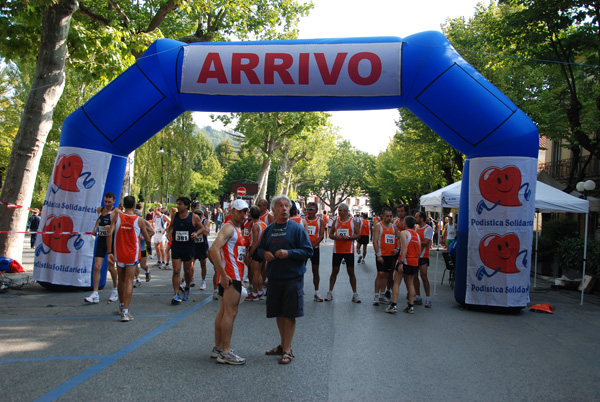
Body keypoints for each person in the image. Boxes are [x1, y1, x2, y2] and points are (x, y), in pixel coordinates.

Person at [257, 195, 313, 364]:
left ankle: (288, 349)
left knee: (289, 314)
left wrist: (289, 253)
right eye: (280, 206)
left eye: (287, 206)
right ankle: (283, 345)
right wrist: (264, 254)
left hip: (292, 278)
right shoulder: (269, 229)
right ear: (273, 210)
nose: (284, 208)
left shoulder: (297, 228)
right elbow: (260, 249)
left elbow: (308, 251)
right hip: (274, 277)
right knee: (279, 313)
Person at [208, 199, 249, 365]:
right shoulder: (229, 227)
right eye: (240, 211)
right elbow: (213, 249)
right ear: (232, 211)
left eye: (245, 212)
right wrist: (223, 274)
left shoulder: (237, 228)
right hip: (230, 277)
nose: (243, 215)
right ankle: (225, 351)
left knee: (224, 311)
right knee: (230, 313)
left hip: (233, 276)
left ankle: (218, 348)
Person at [106, 195, 152, 322]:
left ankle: (121, 305)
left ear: (124, 205)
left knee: (121, 280)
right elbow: (147, 237)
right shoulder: (139, 220)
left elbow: (109, 233)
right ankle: (125, 312)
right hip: (131, 254)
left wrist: (109, 251)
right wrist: (149, 248)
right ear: (133, 205)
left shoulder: (117, 217)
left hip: (119, 253)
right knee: (129, 281)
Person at [166, 197, 204, 304]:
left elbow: (202, 228)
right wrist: (169, 233)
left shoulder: (194, 217)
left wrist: (196, 233)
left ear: (186, 206)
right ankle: (176, 293)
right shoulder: (175, 215)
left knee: (187, 271)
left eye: (180, 204)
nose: (178, 206)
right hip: (176, 246)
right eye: (177, 204)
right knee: (176, 270)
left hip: (188, 247)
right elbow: (171, 227)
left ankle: (187, 287)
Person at [85, 193, 119, 304]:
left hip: (111, 242)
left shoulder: (116, 212)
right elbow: (98, 221)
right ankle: (95, 293)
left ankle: (115, 289)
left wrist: (112, 227)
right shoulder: (99, 210)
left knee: (111, 267)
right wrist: (95, 229)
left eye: (109, 202)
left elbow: (120, 225)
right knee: (97, 266)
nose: (107, 204)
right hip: (101, 241)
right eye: (105, 201)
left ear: (114, 201)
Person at [326, 203, 362, 303]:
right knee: (334, 272)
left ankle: (355, 294)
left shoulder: (352, 221)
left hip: (349, 251)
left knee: (351, 273)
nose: (339, 212)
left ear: (346, 211)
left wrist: (349, 238)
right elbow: (330, 234)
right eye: (338, 210)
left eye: (340, 210)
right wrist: (336, 237)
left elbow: (359, 235)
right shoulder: (336, 221)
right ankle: (330, 292)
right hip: (337, 250)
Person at [386, 215, 421, 314]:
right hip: (414, 261)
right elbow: (419, 251)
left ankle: (394, 305)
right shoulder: (417, 235)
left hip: (405, 260)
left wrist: (401, 262)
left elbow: (404, 248)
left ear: (405, 223)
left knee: (396, 282)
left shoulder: (403, 233)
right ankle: (411, 306)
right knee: (410, 283)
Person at [371, 208, 398, 306]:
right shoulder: (378, 226)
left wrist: (397, 248)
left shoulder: (393, 226)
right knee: (380, 273)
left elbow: (399, 237)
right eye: (387, 216)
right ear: (382, 216)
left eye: (390, 216)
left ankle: (382, 294)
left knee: (387, 274)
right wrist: (378, 254)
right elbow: (375, 241)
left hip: (390, 255)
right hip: (381, 255)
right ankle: (376, 295)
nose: (389, 218)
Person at [245, 206, 267, 301]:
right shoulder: (263, 224)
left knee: (255, 273)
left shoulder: (255, 226)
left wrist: (250, 253)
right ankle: (260, 291)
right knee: (260, 273)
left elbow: (255, 242)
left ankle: (254, 292)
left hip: (256, 250)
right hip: (262, 250)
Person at [305, 202, 325, 301]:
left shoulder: (320, 221)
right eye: (307, 209)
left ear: (316, 210)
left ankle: (317, 292)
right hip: (303, 249)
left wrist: (313, 245)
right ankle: (298, 290)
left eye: (311, 209)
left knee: (315, 270)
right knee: (300, 270)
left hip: (314, 248)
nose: (308, 211)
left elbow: (321, 236)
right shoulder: (303, 220)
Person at [414, 211, 433, 308]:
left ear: (422, 219)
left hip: (423, 256)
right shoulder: (417, 228)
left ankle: (428, 298)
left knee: (424, 277)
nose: (415, 218)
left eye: (417, 217)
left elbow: (426, 242)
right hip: (416, 256)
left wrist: (415, 242)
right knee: (414, 277)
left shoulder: (428, 229)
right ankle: (418, 296)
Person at [193, 206, 211, 291]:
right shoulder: (192, 221)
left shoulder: (205, 221)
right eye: (195, 214)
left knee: (203, 264)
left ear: (202, 215)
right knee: (190, 264)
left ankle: (203, 281)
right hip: (193, 245)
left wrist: (200, 227)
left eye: (199, 214)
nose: (197, 215)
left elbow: (206, 232)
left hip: (202, 246)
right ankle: (189, 280)